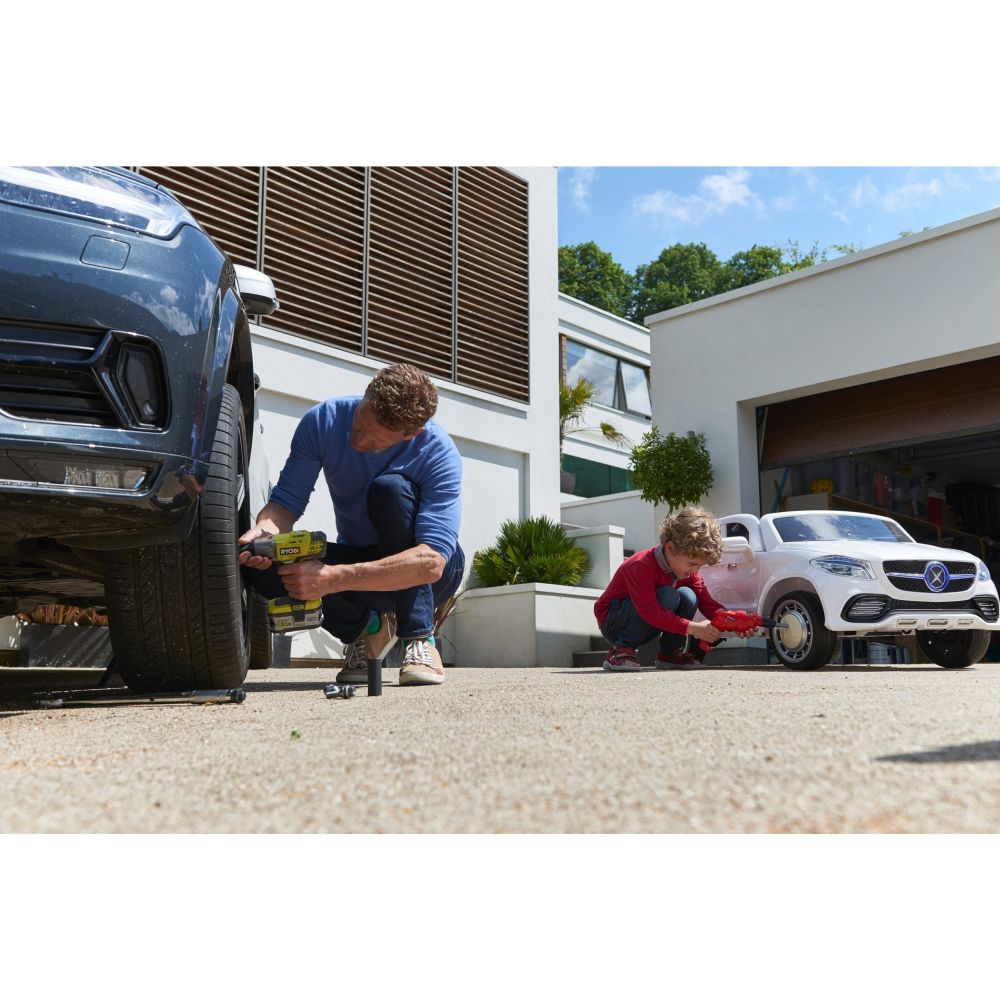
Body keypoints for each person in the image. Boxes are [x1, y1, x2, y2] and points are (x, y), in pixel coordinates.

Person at [239, 364, 464, 687]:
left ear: (410, 434)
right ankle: (366, 629)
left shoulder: (438, 453)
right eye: (360, 423)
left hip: (432, 574)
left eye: (376, 439)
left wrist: (331, 579)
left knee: (390, 491)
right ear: (368, 390)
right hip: (362, 560)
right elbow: (285, 504)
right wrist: (265, 533)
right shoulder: (323, 421)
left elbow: (430, 563)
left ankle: (419, 638)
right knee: (264, 566)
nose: (358, 439)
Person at [594, 505, 726, 672]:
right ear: (671, 548)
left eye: (699, 566)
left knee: (689, 596)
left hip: (647, 619)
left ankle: (669, 654)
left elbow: (707, 602)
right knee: (668, 594)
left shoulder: (686, 571)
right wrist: (694, 628)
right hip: (614, 622)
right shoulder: (641, 565)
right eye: (692, 564)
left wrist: (732, 620)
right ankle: (620, 649)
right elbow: (650, 611)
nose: (695, 571)